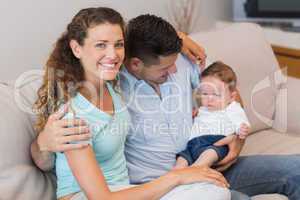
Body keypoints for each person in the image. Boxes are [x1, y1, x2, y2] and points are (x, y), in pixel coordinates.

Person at [32, 12, 300, 200]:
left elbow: (229, 93)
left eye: (117, 46)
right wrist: (43, 141)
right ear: (135, 63)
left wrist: (235, 141)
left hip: (209, 159)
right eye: (164, 68)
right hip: (153, 184)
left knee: (296, 170)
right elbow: (51, 147)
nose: (174, 71)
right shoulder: (113, 80)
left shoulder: (184, 60)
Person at [174, 61, 251, 169]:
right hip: (193, 144)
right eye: (205, 94)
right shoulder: (202, 109)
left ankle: (196, 169)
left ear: (232, 97)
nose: (209, 98)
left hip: (215, 143)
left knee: (209, 154)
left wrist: (242, 129)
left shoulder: (232, 108)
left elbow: (241, 122)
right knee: (181, 158)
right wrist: (194, 114)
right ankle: (175, 173)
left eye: (216, 94)